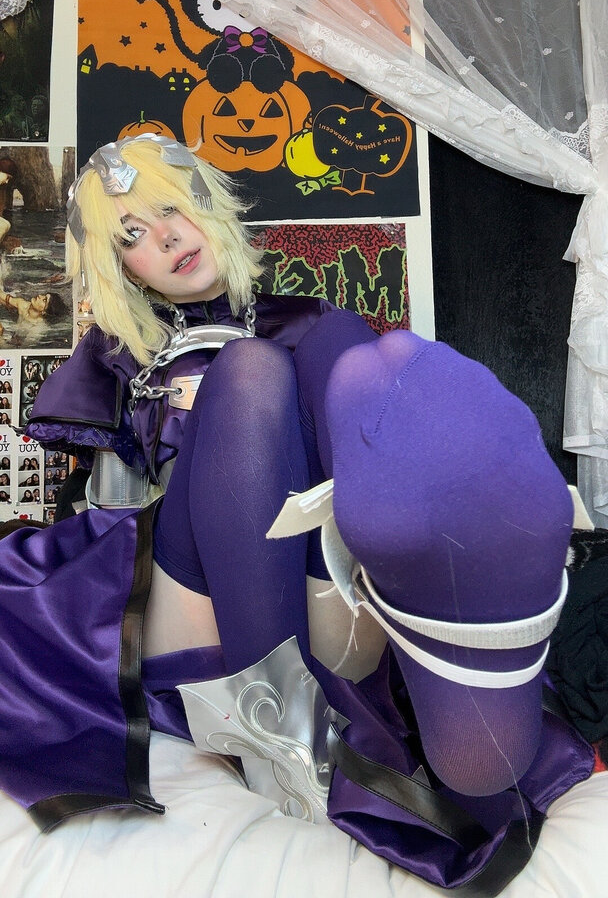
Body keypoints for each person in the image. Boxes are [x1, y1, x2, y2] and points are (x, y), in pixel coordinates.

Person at [0, 134, 592, 889]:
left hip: (332, 585)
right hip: (196, 609)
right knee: (250, 371)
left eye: (172, 209)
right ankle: (285, 736)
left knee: (344, 350)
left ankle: (440, 630)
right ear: (123, 270)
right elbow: (107, 511)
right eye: (133, 237)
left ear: (208, 204)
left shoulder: (311, 322)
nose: (168, 238)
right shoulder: (120, 360)